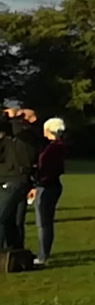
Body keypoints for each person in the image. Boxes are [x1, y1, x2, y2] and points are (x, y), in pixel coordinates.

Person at [0, 105, 40, 260]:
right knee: (12, 221)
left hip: (16, 181)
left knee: (2, 217)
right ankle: (14, 255)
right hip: (10, 179)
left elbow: (21, 132)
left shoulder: (29, 136)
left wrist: (15, 116)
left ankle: (10, 253)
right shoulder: (11, 140)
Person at [28, 117, 66, 267]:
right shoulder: (58, 147)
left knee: (43, 223)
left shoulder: (52, 149)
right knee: (45, 222)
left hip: (46, 186)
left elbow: (44, 169)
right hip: (52, 185)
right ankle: (43, 253)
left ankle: (42, 256)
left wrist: (34, 180)